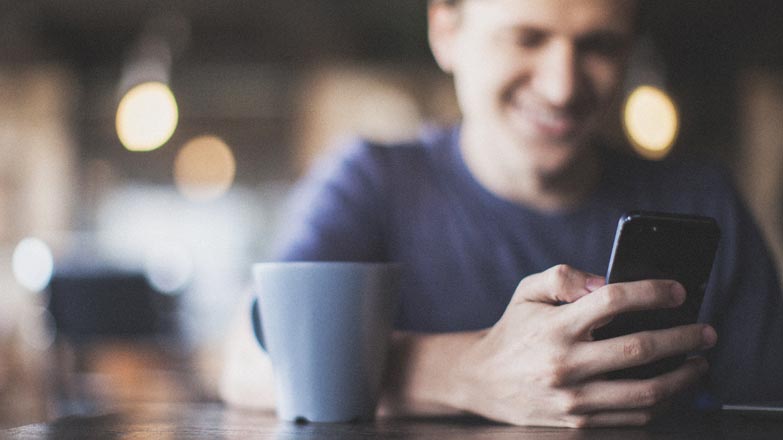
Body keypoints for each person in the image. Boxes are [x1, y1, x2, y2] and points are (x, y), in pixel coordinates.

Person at [221, 0, 783, 427]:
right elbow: (247, 363)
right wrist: (468, 374)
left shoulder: (702, 197)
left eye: (600, 46)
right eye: (527, 38)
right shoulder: (371, 182)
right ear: (446, 32)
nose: (563, 86)